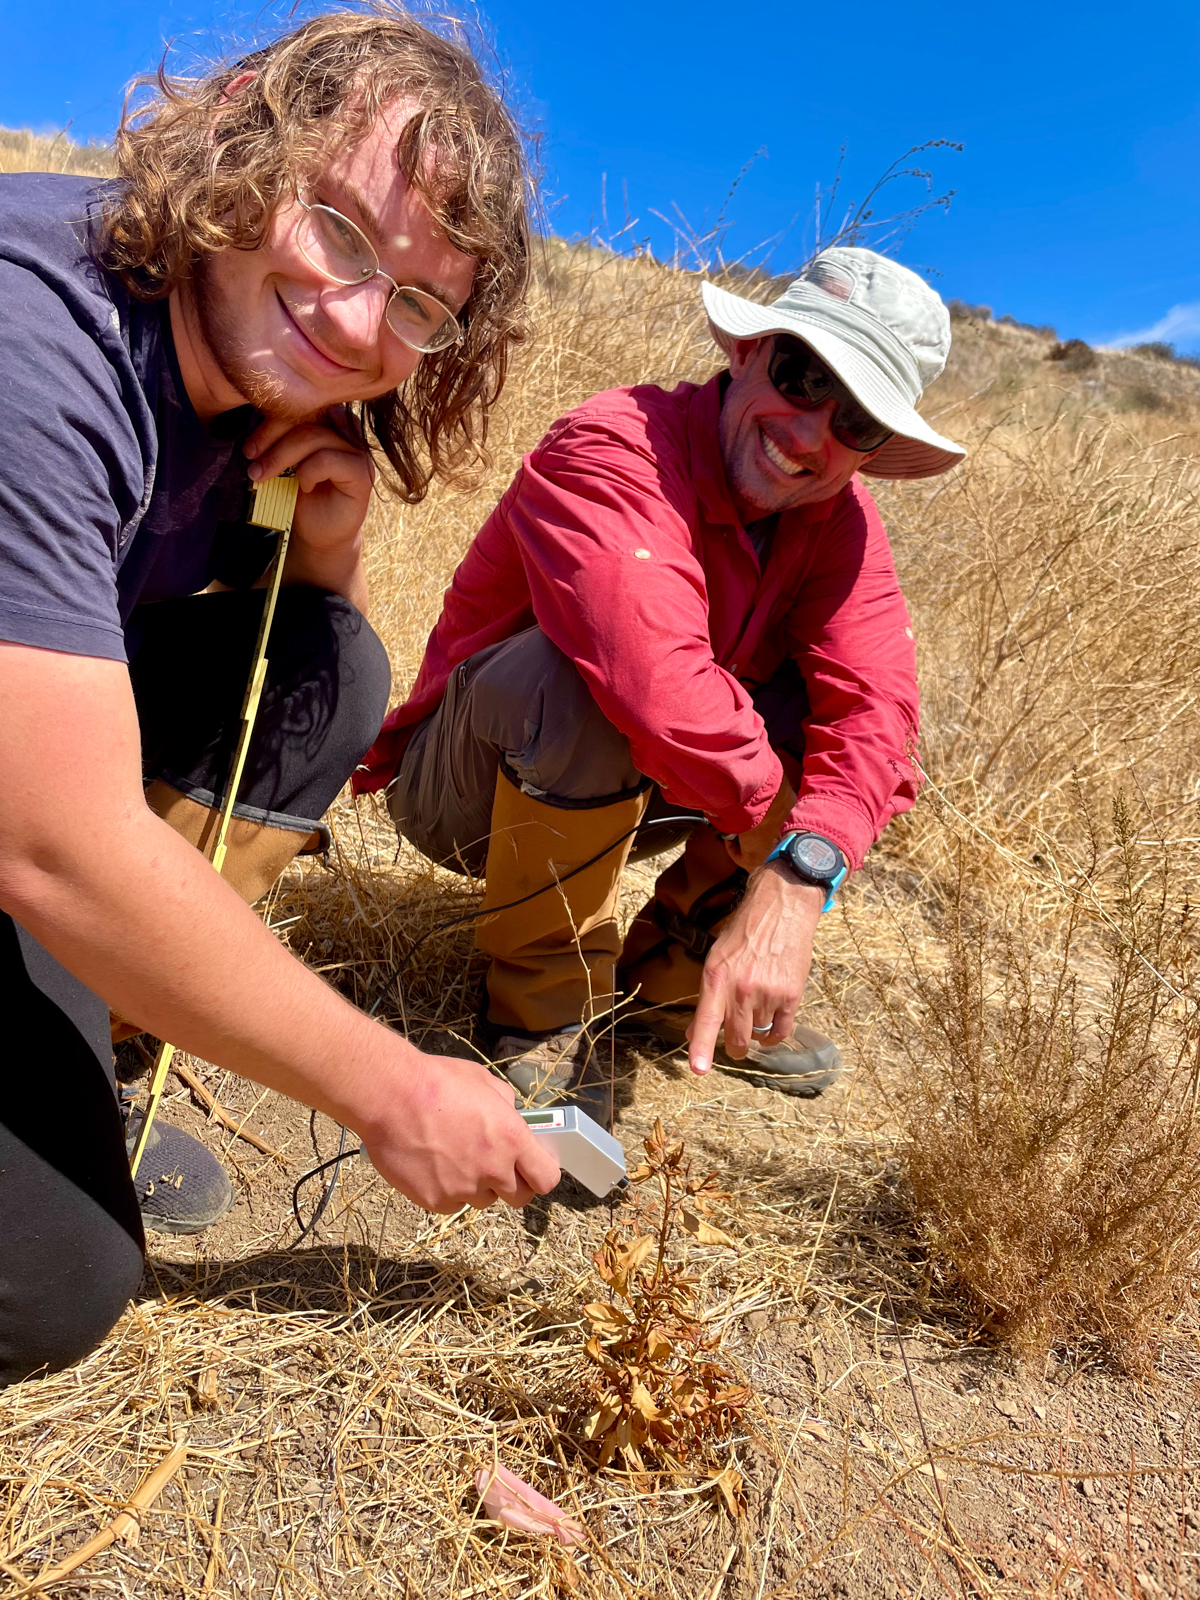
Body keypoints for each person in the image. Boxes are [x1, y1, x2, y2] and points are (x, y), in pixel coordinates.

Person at [0, 8, 560, 1386]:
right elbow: (53, 845)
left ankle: (101, 1035)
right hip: (32, 828)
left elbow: (257, 693)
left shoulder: (236, 393)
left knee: (331, 658)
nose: (362, 319)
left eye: (421, 304)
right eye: (344, 233)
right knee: (53, 1287)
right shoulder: (38, 344)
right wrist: (392, 1089)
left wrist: (328, 554)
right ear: (246, 139)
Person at [357, 247, 966, 1112]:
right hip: (467, 796)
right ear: (749, 353)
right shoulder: (614, 442)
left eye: (858, 422)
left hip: (644, 794)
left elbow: (877, 709)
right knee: (576, 682)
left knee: (833, 738)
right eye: (800, 376)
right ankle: (541, 1010)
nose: (811, 435)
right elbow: (655, 686)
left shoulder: (839, 521)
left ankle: (670, 983)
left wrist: (805, 869)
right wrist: (780, 833)